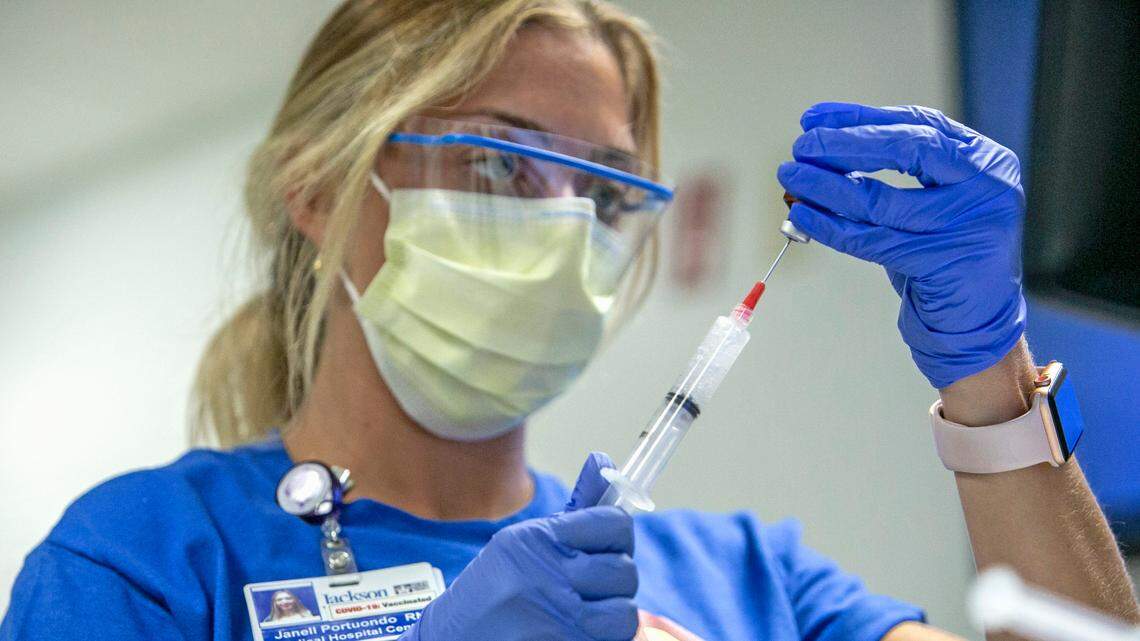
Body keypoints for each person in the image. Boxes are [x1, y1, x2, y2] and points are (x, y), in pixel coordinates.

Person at [2, 1, 1137, 640]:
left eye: (601, 188)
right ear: (317, 187)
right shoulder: (145, 560)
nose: (560, 224)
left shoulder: (749, 576)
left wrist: (991, 372)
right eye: (502, 162)